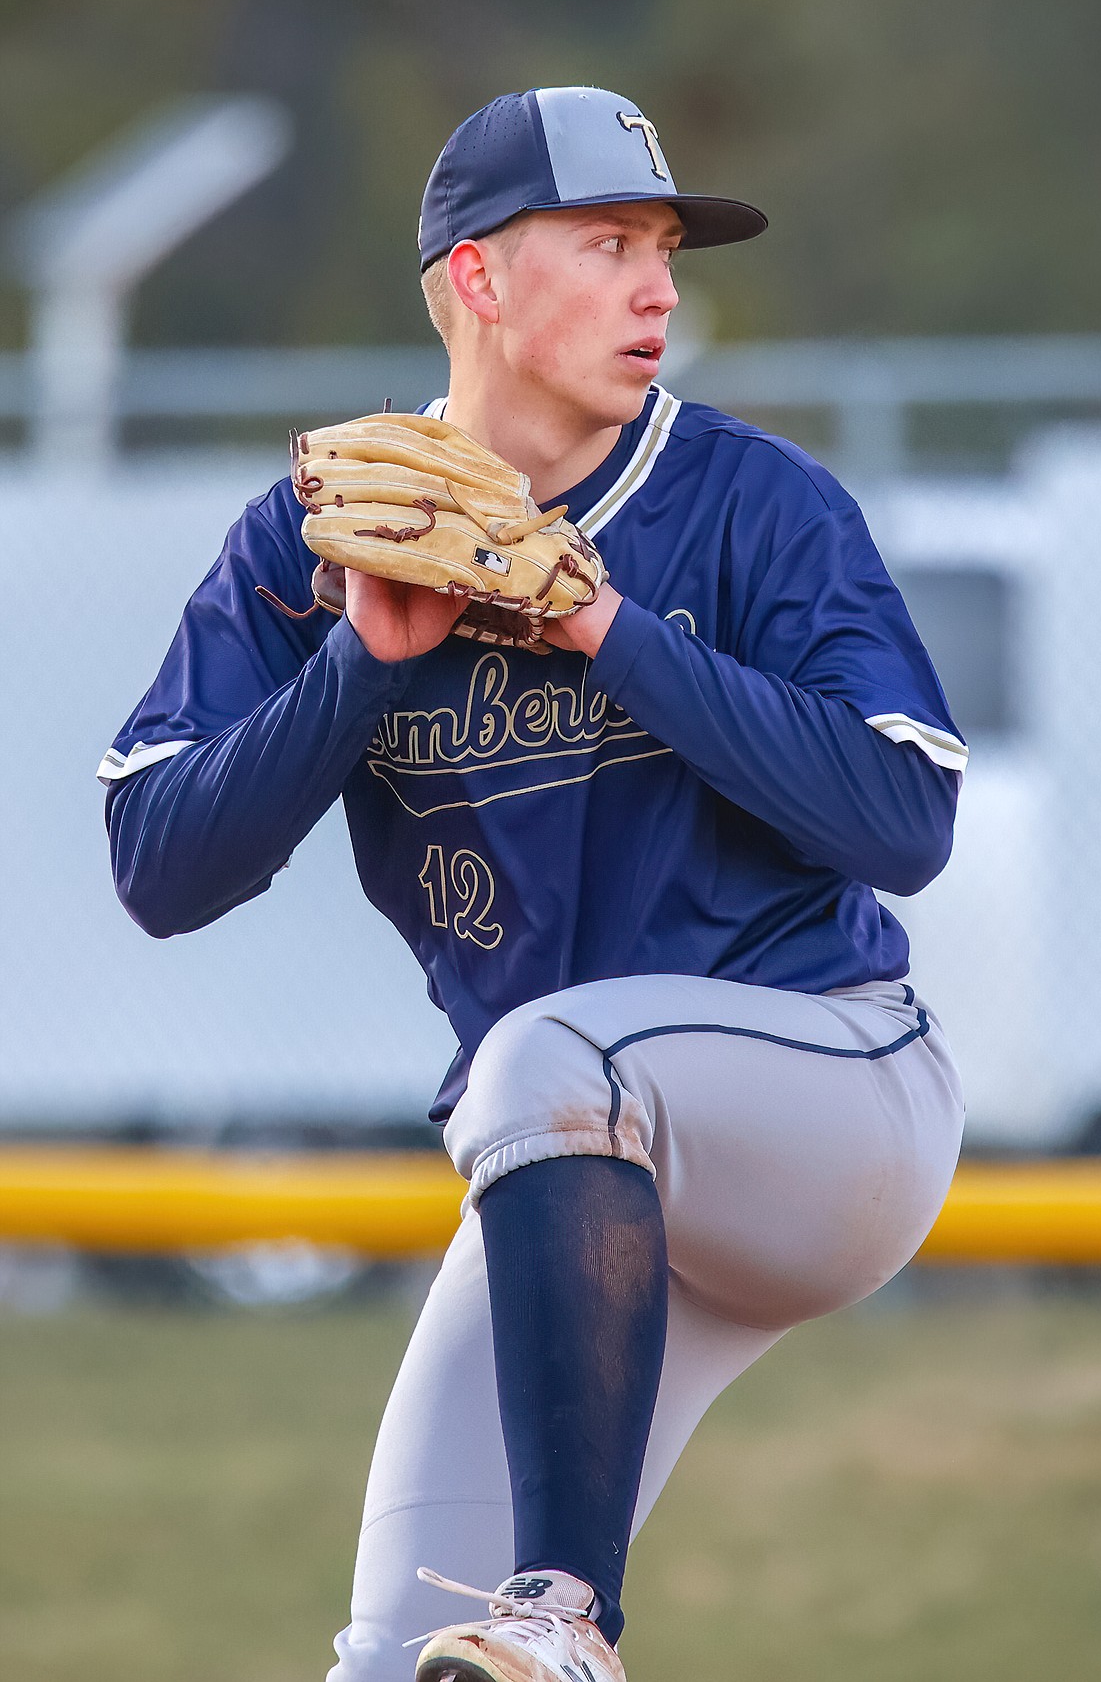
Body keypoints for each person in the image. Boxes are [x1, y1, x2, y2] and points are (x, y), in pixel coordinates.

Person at [100, 86, 968, 1682]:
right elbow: (161, 866)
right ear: (482, 281)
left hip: (827, 1090)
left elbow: (902, 817)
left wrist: (600, 628)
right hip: (566, 1170)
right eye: (608, 244)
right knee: (395, 1662)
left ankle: (567, 1615)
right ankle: (519, 1645)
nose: (658, 288)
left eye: (664, 251)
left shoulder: (750, 503)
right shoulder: (317, 540)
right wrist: (356, 664)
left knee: (555, 1054)